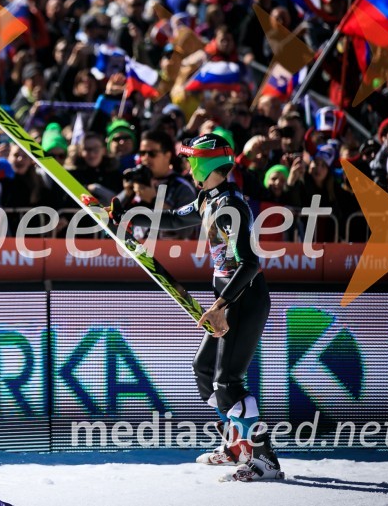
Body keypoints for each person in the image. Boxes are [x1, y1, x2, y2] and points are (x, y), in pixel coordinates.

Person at [116, 132, 284, 482]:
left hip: (243, 301)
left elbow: (249, 263)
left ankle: (265, 459)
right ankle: (237, 445)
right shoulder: (209, 197)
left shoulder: (229, 207)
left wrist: (221, 305)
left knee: (227, 382)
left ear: (206, 163)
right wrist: (127, 214)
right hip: (230, 301)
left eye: (192, 159)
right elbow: (175, 220)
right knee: (204, 369)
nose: (188, 164)